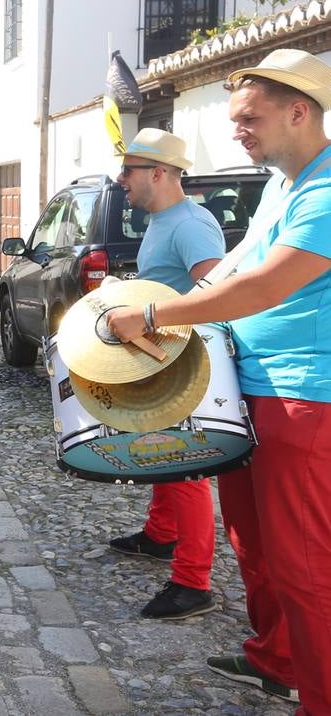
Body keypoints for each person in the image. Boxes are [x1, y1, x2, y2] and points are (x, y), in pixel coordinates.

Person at [106, 49, 331, 710]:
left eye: (249, 118)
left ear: (298, 111)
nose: (236, 130)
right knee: (252, 544)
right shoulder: (281, 187)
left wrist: (153, 312)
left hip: (302, 399)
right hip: (250, 390)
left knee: (305, 566)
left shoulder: (326, 186)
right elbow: (230, 269)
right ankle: (276, 658)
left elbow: (265, 284)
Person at [102, 129, 224, 620]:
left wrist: (149, 316)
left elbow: (214, 292)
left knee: (184, 462)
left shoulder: (191, 224)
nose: (120, 179)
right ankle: (160, 536)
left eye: (129, 170)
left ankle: (194, 582)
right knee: (163, 451)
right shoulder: (162, 219)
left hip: (184, 362)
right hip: (162, 356)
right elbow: (170, 285)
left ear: (159, 173)